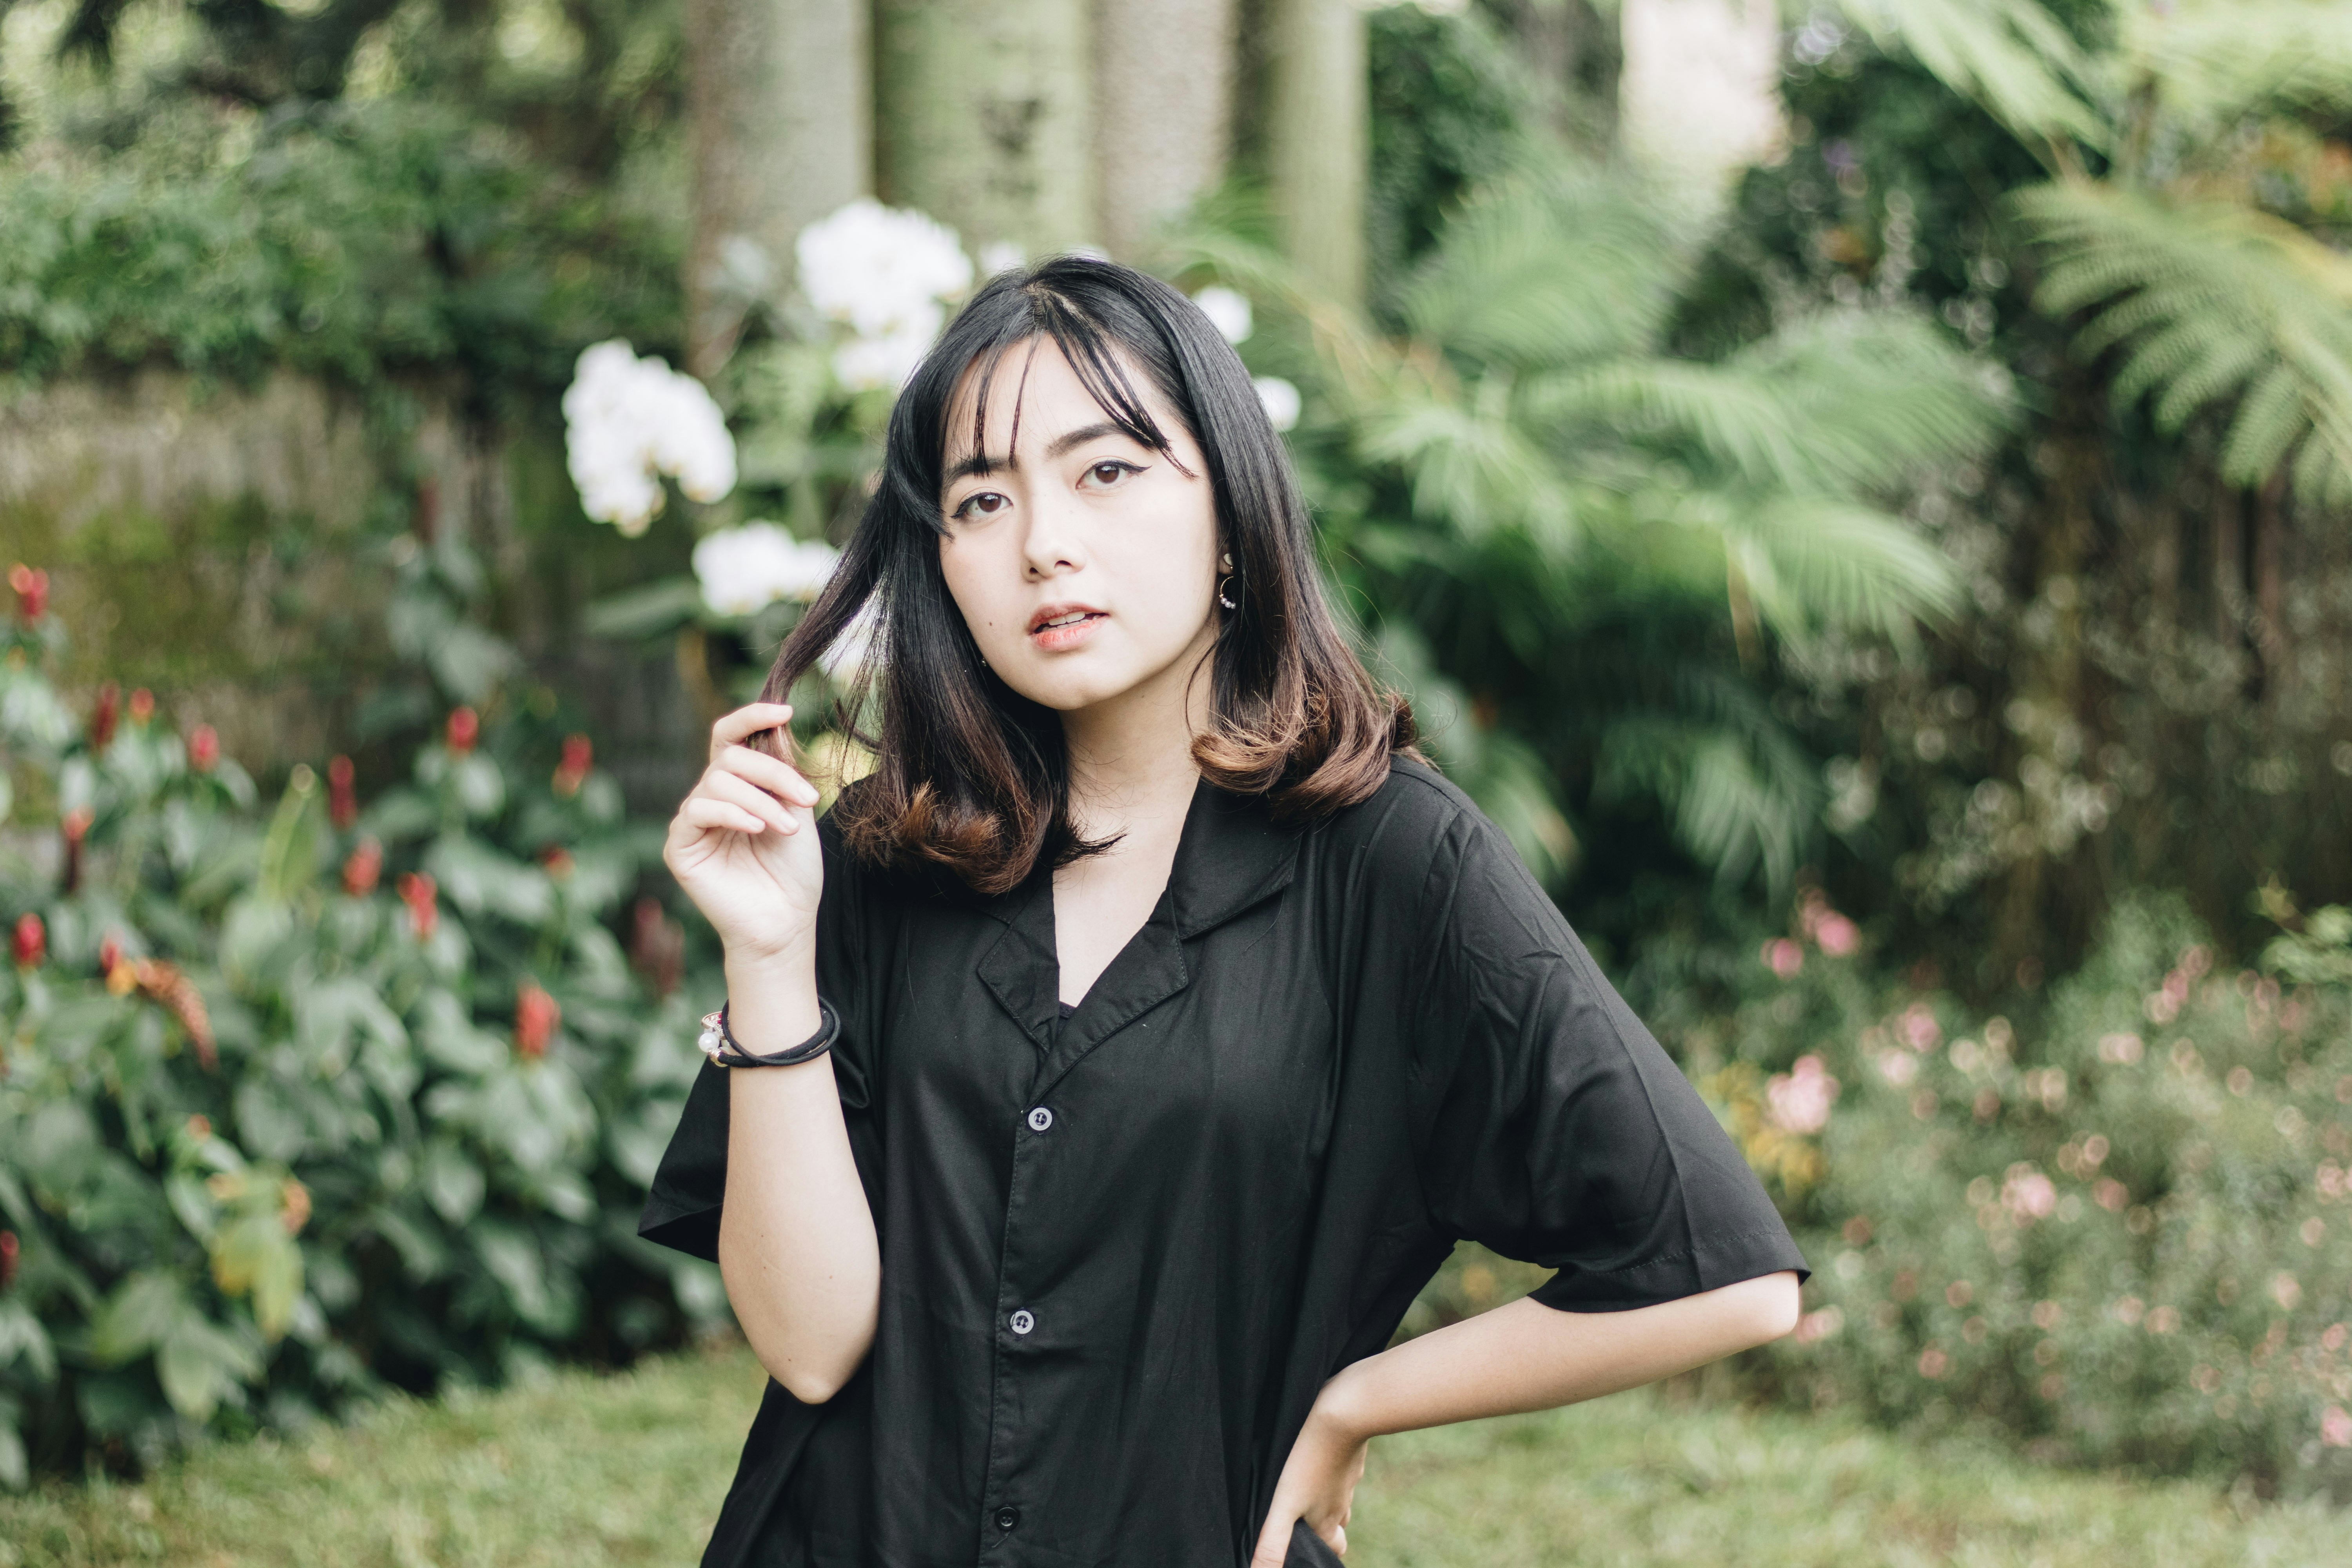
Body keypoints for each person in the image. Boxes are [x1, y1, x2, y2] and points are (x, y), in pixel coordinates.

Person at [639, 256, 1809, 1568]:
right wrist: (768, 960)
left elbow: (1721, 1272)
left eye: (1107, 471)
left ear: (1235, 515)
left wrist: (1360, 1398)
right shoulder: (872, 860)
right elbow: (810, 1349)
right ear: (942, 561)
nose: (1044, 542)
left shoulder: (1389, 862)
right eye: (982, 498)